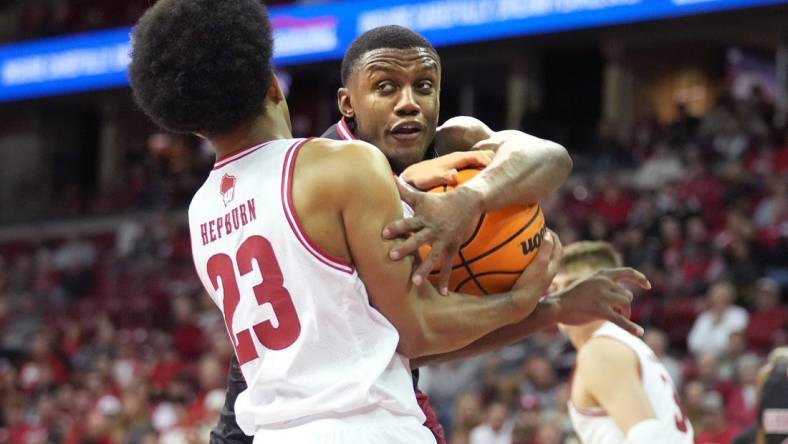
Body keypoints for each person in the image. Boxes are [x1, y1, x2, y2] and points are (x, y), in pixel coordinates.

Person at [129, 2, 565, 442]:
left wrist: (411, 187)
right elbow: (418, 332)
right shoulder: (345, 164)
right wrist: (521, 303)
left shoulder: (202, 208)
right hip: (362, 425)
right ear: (273, 87)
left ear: (194, 127)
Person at [211, 25, 649, 443]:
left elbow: (552, 159)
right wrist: (543, 308)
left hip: (350, 403)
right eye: (386, 87)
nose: (409, 103)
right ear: (348, 104)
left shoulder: (453, 141)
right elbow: (413, 341)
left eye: (424, 86)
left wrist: (470, 199)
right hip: (266, 415)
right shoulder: (330, 179)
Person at [552, 241, 694, 444]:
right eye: (555, 288)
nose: (561, 297)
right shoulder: (625, 344)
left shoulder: (600, 350)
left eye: (573, 286)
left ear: (609, 291)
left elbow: (650, 437)